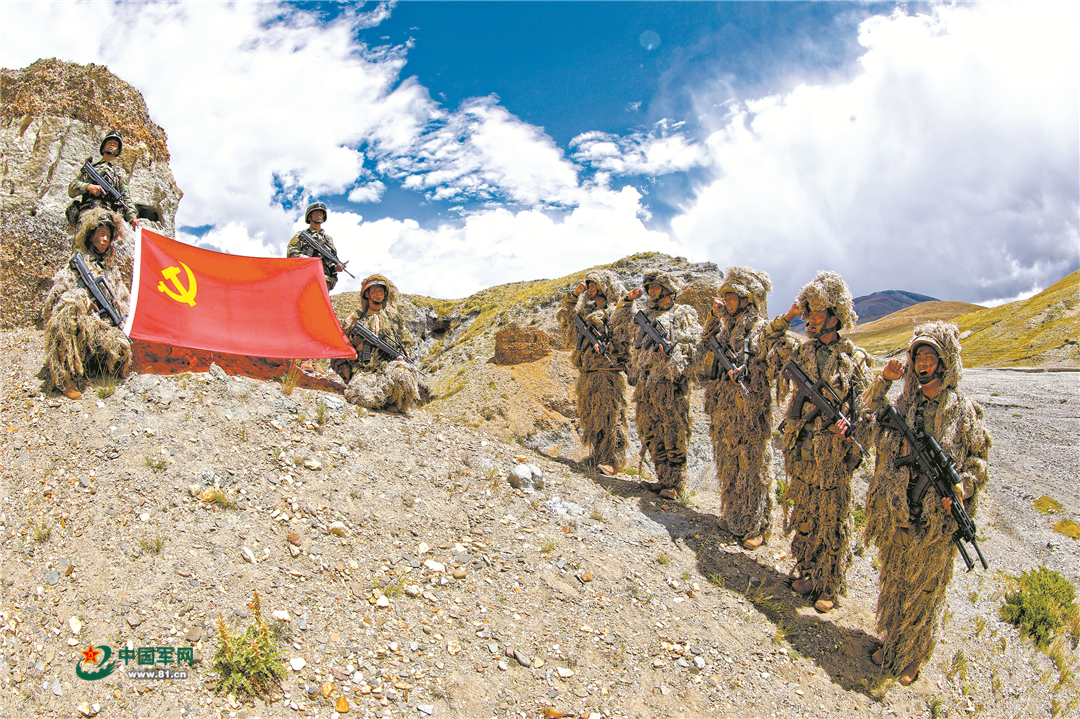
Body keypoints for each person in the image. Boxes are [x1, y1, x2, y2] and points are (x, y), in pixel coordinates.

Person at [861, 321, 991, 685]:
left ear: (944, 362)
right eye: (918, 356)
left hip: (938, 519)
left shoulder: (963, 410)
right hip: (901, 509)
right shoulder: (905, 404)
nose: (923, 363)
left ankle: (911, 657)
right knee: (896, 579)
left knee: (925, 590)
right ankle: (891, 643)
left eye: (930, 357)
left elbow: (979, 461)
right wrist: (884, 381)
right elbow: (868, 418)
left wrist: (964, 487)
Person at [762, 270, 870, 612]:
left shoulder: (854, 357)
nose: (810, 319)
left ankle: (829, 585)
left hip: (832, 454)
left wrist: (851, 430)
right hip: (801, 449)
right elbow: (767, 340)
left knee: (832, 519)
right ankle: (807, 572)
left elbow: (867, 407)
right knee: (805, 512)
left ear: (836, 318)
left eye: (818, 313)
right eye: (808, 312)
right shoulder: (800, 351)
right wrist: (790, 315)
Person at [695, 266, 774, 549]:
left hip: (749, 409)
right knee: (728, 461)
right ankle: (733, 515)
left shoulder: (760, 328)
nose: (727, 302)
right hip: (724, 406)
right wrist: (713, 316)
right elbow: (704, 344)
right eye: (725, 297)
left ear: (746, 299)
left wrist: (747, 372)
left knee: (751, 466)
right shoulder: (725, 327)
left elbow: (768, 364)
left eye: (732, 297)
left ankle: (756, 526)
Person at [613, 269, 700, 500]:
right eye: (648, 287)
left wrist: (674, 351)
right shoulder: (645, 314)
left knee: (673, 432)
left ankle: (675, 484)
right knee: (650, 432)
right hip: (645, 385)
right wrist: (627, 301)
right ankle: (662, 478)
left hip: (669, 386)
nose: (651, 291)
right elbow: (619, 325)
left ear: (667, 289)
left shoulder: (681, 313)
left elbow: (694, 344)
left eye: (655, 287)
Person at [42, 208, 132, 399]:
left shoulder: (111, 269)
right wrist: (82, 300)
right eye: (101, 234)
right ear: (91, 236)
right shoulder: (78, 264)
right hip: (84, 322)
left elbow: (122, 299)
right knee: (69, 312)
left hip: (103, 327)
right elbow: (58, 294)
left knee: (121, 348)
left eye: (108, 236)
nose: (105, 239)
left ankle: (94, 367)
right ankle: (64, 377)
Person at [557, 270, 630, 473]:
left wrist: (607, 346)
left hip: (607, 372)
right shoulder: (585, 313)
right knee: (591, 415)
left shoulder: (614, 312)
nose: (590, 290)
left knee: (609, 416)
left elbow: (623, 337)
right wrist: (574, 295)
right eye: (588, 286)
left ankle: (610, 459)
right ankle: (598, 455)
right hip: (587, 373)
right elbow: (566, 317)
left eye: (594, 286)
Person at [332, 274, 427, 414]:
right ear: (367, 295)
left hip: (387, 368)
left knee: (404, 375)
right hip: (363, 370)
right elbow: (340, 338)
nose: (378, 294)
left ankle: (391, 402)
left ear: (385, 294)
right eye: (374, 291)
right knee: (362, 396)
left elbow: (406, 342)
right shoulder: (356, 317)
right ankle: (379, 400)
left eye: (381, 291)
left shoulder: (394, 318)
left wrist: (404, 355)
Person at [67, 130, 135, 225]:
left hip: (108, 216)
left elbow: (125, 197)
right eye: (109, 142)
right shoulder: (91, 168)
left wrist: (132, 218)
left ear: (117, 151)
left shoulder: (119, 173)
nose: (112, 145)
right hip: (86, 213)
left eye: (115, 144)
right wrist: (88, 187)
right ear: (103, 148)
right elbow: (72, 189)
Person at [287, 201, 343, 291]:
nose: (319, 215)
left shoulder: (328, 239)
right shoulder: (301, 235)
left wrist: (335, 267)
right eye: (316, 213)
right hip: (306, 278)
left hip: (325, 281)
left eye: (321, 213)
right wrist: (311, 261)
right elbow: (291, 253)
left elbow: (332, 258)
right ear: (309, 217)